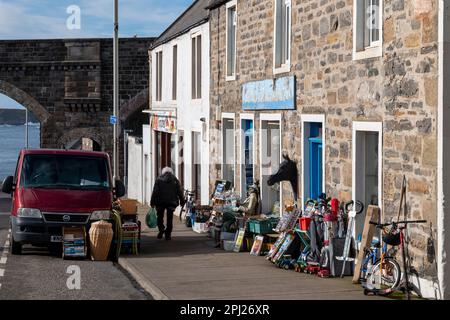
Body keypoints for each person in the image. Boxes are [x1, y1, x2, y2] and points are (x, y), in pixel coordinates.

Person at [150, 167, 185, 240]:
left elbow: (155, 192)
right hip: (171, 202)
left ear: (163, 172)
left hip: (160, 202)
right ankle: (168, 234)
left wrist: (152, 202)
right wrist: (182, 201)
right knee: (170, 218)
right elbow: (179, 191)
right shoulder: (175, 179)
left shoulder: (159, 179)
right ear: (171, 172)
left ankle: (161, 229)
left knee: (159, 217)